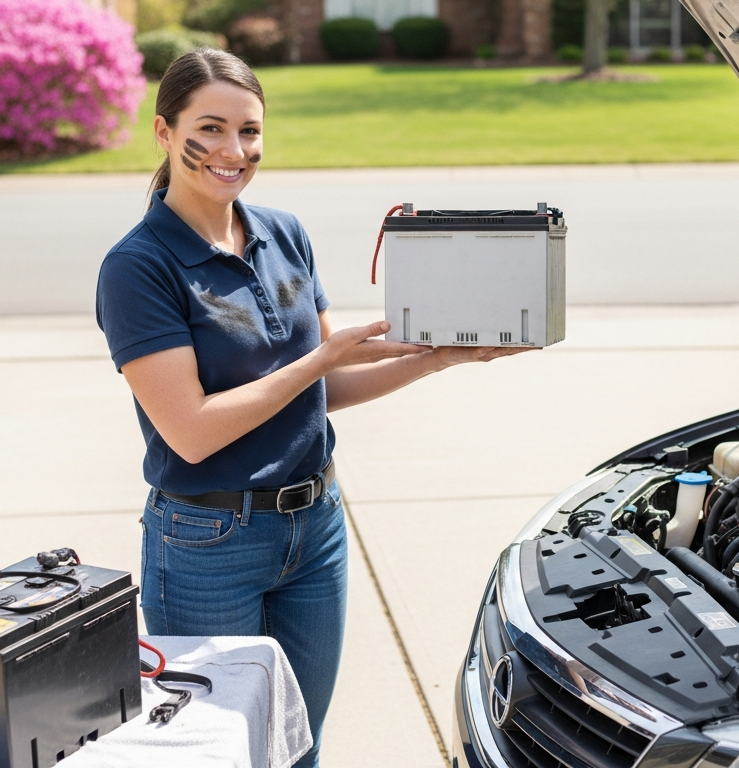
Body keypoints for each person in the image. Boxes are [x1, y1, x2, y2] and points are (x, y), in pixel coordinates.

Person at [95, 49, 524, 767]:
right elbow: (193, 432)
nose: (235, 151)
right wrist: (322, 359)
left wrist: (439, 357)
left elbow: (322, 390)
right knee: (222, 753)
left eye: (250, 131)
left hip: (315, 529)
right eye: (211, 129)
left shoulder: (283, 232)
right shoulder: (139, 267)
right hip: (208, 544)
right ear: (165, 133)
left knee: (299, 745)